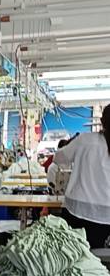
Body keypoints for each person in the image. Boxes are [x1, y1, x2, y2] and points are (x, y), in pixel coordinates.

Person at [54, 106, 110, 248]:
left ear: (102, 121)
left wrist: (71, 143)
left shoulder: (85, 140)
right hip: (106, 216)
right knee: (97, 254)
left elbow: (58, 158)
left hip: (77, 210)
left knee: (71, 253)